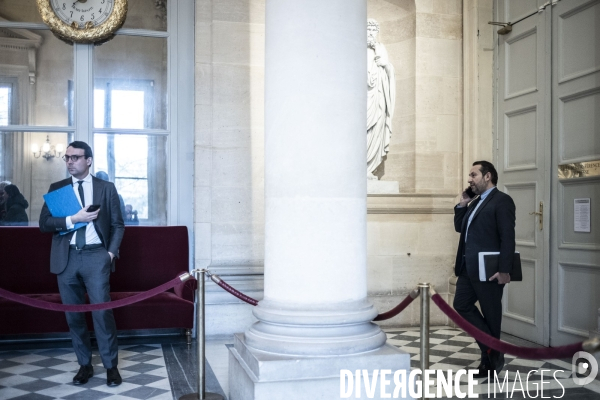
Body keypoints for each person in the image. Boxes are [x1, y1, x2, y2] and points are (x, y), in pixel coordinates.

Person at [39, 141, 125, 387]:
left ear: (88, 160)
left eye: (75, 157)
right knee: (73, 316)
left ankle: (111, 367)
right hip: (66, 259)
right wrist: (71, 219)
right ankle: (85, 365)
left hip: (96, 256)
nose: (69, 162)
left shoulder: (106, 188)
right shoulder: (58, 188)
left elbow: (118, 225)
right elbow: (44, 224)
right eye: (66, 158)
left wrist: (109, 254)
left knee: (101, 313)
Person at [452, 161, 515, 377]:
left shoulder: (502, 201)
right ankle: (494, 350)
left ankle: (488, 363)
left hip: (490, 269)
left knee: (491, 316)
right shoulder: (475, 202)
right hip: (468, 268)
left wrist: (505, 270)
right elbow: (460, 228)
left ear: (487, 176)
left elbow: (508, 237)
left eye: (473, 175)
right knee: (460, 305)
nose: (469, 179)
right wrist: (462, 205)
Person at [367, 18, 395, 180]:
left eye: (373, 31)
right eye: (368, 30)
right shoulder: (356, 50)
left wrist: (385, 65)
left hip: (378, 98)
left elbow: (390, 72)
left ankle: (369, 168)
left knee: (376, 129)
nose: (370, 34)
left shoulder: (380, 48)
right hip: (363, 100)